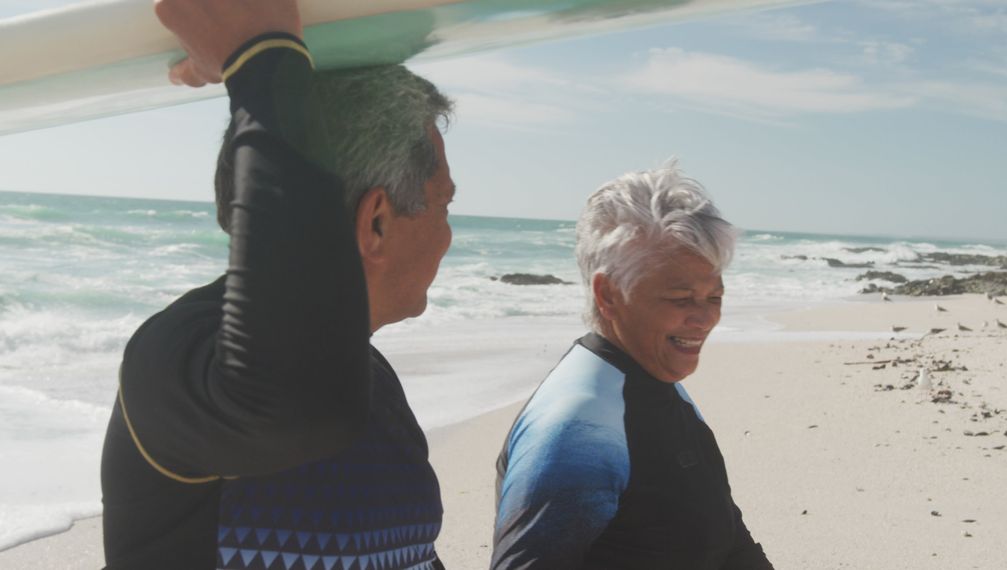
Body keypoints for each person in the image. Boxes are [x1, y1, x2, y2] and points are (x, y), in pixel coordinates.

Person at [101, 1, 454, 568]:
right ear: (376, 223)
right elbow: (296, 409)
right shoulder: (181, 355)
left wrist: (263, 62)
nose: (448, 235)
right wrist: (259, 58)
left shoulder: (372, 379)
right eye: (443, 205)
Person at [490, 164, 773, 569]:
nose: (705, 318)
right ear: (608, 295)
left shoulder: (651, 379)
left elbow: (726, 533)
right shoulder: (577, 423)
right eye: (681, 298)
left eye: (714, 297)